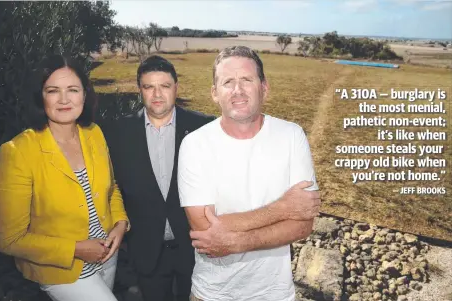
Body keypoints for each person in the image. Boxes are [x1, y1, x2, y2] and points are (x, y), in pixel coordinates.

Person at [177, 45, 321, 301]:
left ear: (264, 87)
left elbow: (303, 224)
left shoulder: (291, 136)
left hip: (274, 294)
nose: (238, 90)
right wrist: (283, 209)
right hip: (211, 294)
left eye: (246, 80)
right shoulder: (195, 144)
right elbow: (204, 229)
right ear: (214, 93)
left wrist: (236, 242)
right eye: (227, 82)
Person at [0, 54, 130, 301]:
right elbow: (10, 239)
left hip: (107, 255)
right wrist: (76, 249)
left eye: (73, 90)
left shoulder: (94, 133)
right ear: (40, 97)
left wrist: (120, 224)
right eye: (53, 90)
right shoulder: (17, 151)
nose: (64, 99)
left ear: (84, 96)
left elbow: (112, 189)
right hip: (61, 270)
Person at [101, 55, 215, 301]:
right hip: (146, 251)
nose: (157, 94)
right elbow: (112, 187)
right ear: (139, 90)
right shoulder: (117, 132)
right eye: (148, 86)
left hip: (196, 248)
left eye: (164, 86)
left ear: (176, 88)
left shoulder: (203, 128)